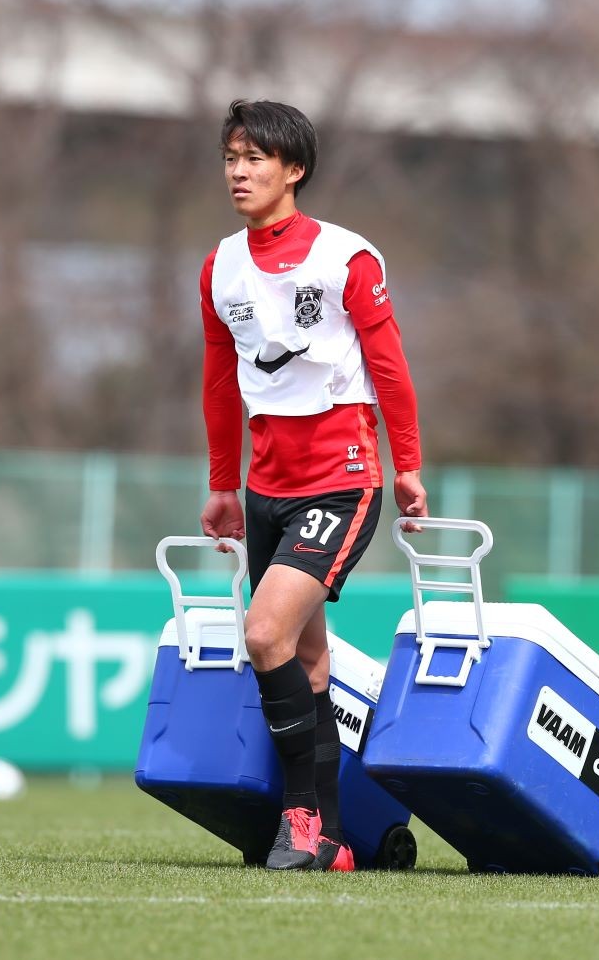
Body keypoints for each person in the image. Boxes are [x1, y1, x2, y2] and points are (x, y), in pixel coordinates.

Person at [199, 99, 427, 872]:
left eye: (256, 158)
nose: (240, 171)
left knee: (263, 634)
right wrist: (223, 484)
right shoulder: (219, 266)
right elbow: (218, 380)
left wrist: (408, 466)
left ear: (294, 170)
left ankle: (303, 820)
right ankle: (333, 837)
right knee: (307, 663)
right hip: (265, 488)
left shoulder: (346, 258)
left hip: (343, 479)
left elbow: (390, 367)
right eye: (232, 156)